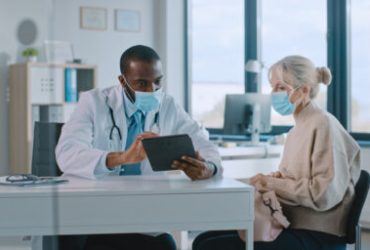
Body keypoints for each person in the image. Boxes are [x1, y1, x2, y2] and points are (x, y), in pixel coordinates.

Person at [55, 45, 222, 250]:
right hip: (95, 212)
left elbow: (204, 144)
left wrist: (209, 168)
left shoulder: (168, 105)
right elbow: (67, 152)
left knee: (165, 246)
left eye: (157, 82)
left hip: (142, 212)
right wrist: (122, 157)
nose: (151, 90)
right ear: (122, 81)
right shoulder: (94, 102)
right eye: (141, 83)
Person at [192, 55, 361, 250]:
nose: (273, 94)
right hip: (292, 223)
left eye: (280, 87)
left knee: (209, 247)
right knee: (203, 240)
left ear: (304, 90)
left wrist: (271, 183)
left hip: (317, 234)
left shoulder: (323, 124)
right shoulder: (296, 130)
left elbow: (323, 195)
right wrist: (268, 180)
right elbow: (292, 177)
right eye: (272, 87)